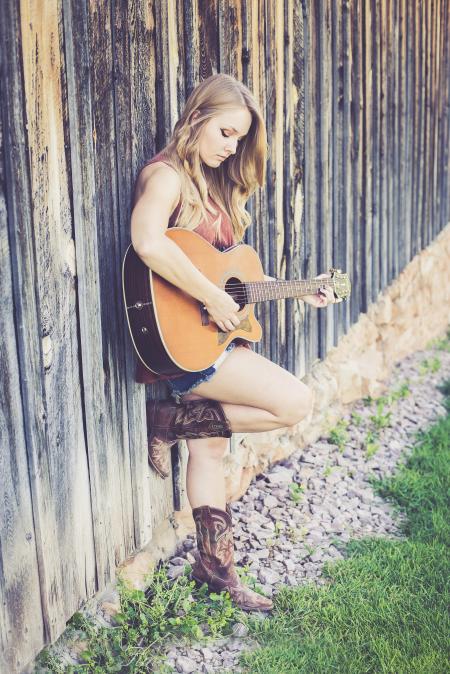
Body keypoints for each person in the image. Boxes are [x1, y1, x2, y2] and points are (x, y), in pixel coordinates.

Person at [130, 73, 340, 612]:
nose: (231, 147)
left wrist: (295, 291)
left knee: (212, 449)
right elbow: (147, 240)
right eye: (225, 132)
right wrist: (212, 296)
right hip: (180, 345)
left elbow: (232, 281)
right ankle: (169, 422)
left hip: (205, 342)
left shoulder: (213, 188)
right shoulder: (167, 177)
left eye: (239, 140)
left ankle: (214, 570)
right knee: (296, 402)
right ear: (197, 118)